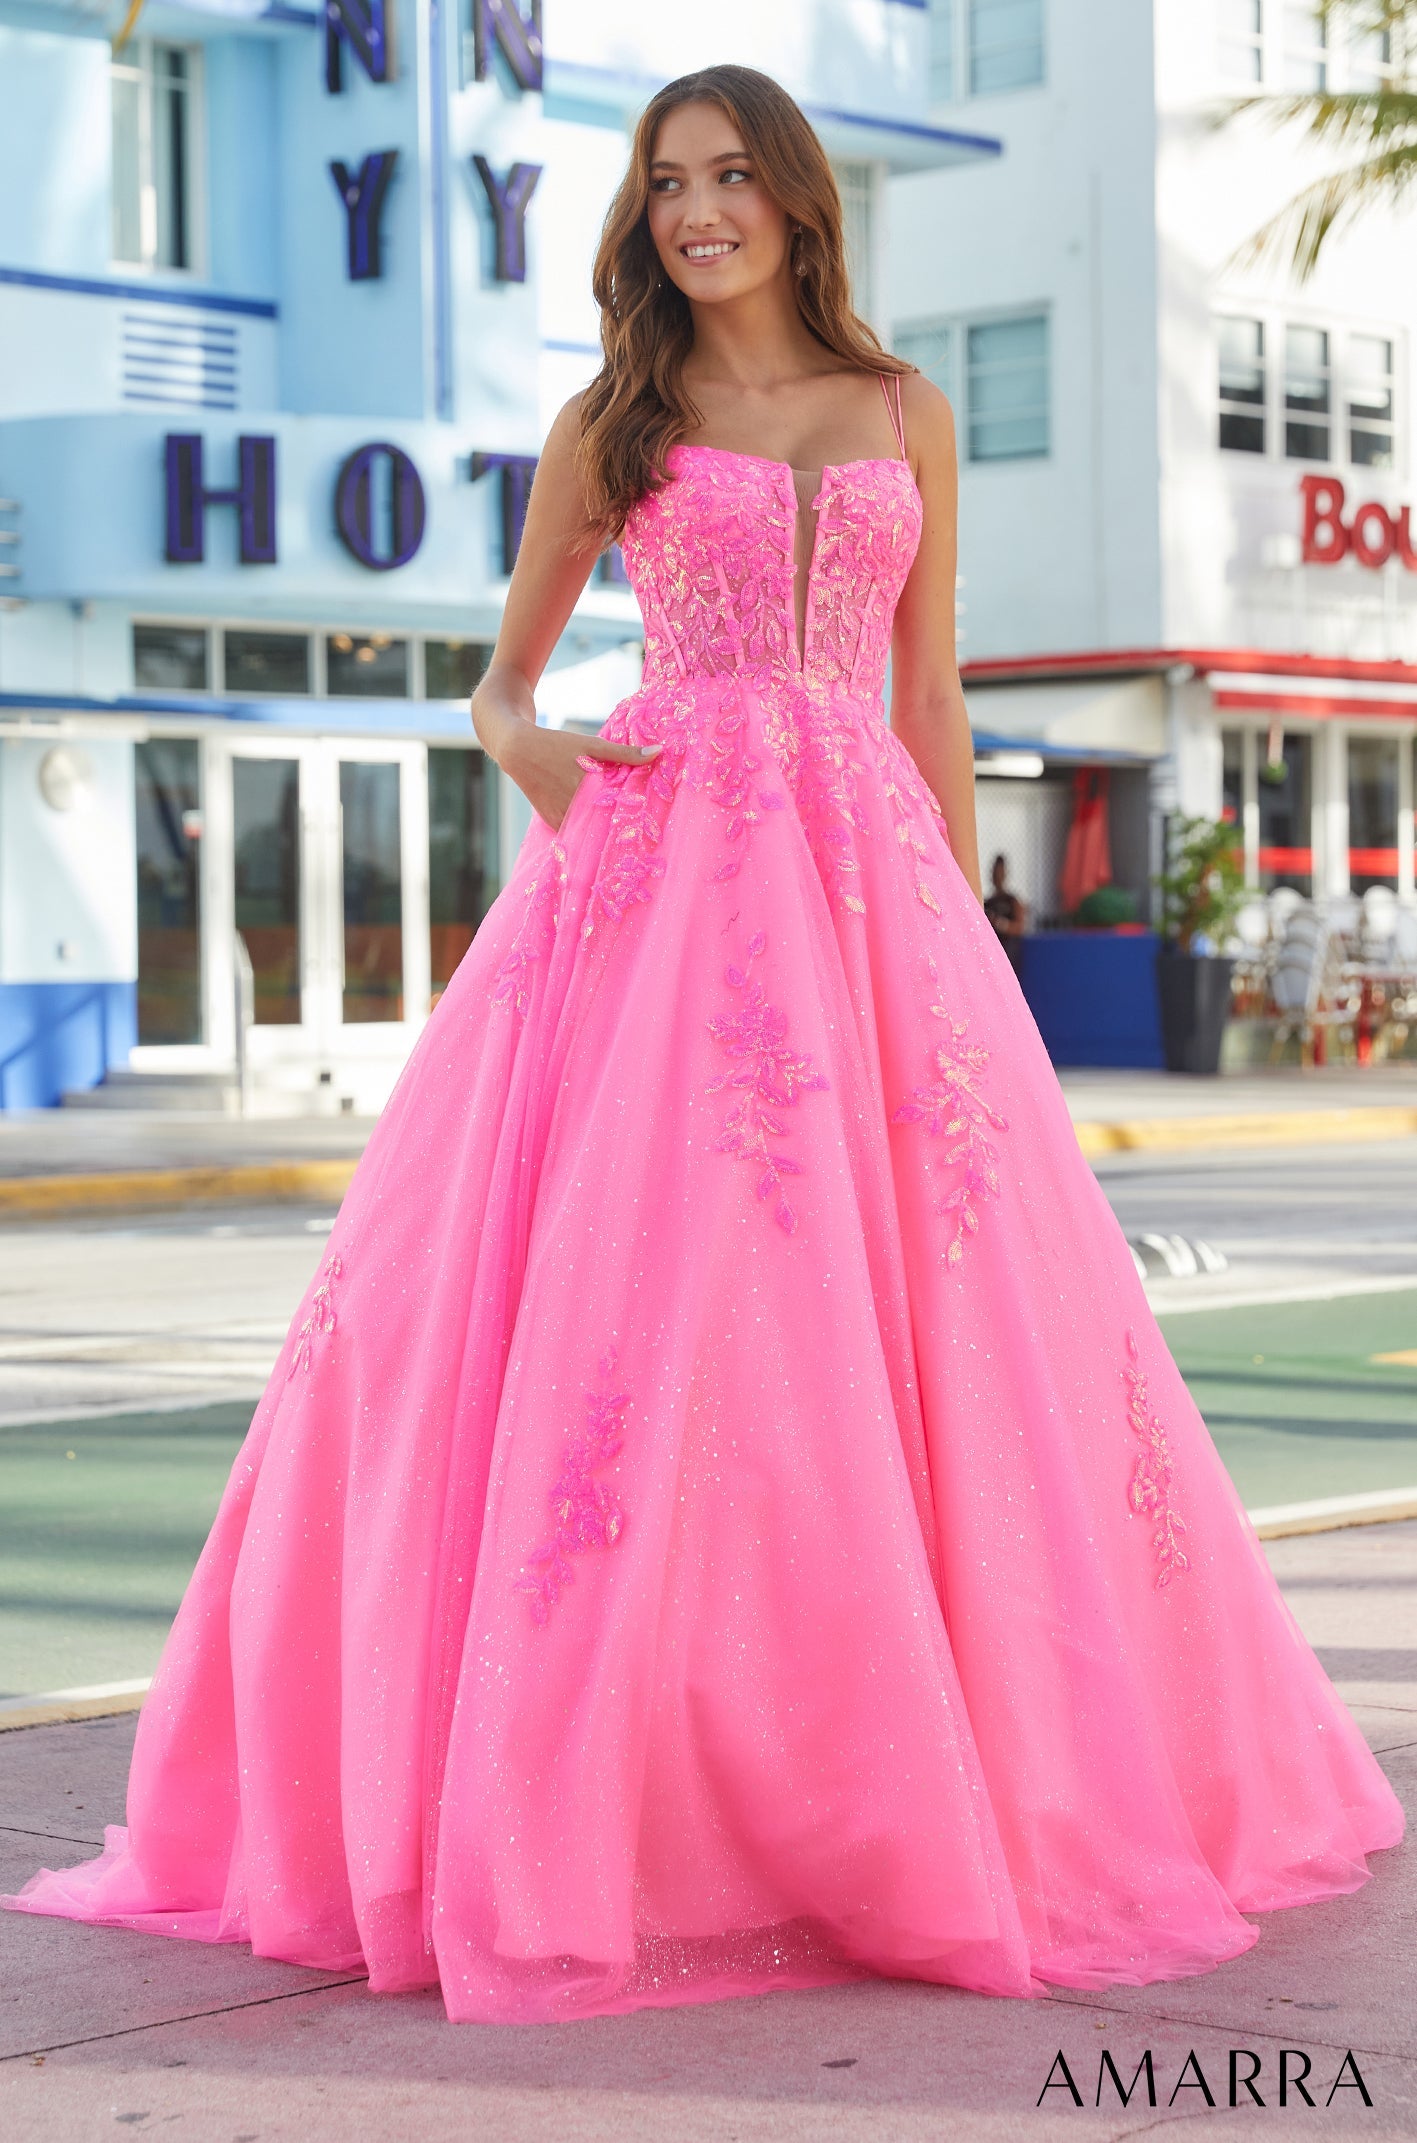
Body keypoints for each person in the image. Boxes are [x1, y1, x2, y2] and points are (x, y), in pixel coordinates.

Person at [5, 64, 1400, 2025]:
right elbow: (496, 688)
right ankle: (626, 1803)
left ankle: (950, 1781)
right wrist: (570, 772)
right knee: (644, 1337)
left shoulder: (905, 407)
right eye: (668, 182)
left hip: (875, 922)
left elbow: (925, 694)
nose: (698, 211)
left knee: (932, 1335)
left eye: (731, 175)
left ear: (797, 198)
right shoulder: (617, 421)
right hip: (658, 903)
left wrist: (968, 954)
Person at [983, 852, 1027, 976]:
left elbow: (1019, 927)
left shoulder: (1012, 901)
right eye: (995, 872)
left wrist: (999, 923)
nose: (997, 876)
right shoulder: (987, 903)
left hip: (1008, 951)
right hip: (990, 953)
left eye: (1000, 872)